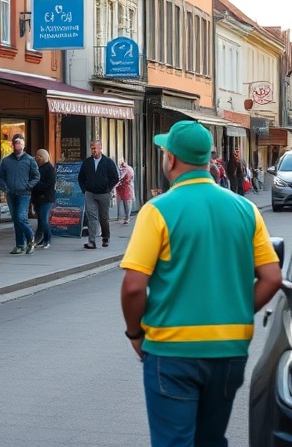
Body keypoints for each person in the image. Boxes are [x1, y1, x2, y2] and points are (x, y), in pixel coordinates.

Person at [120, 121, 282, 447]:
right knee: (210, 441)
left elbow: (134, 287)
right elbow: (272, 278)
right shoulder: (246, 209)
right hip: (229, 352)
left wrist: (136, 334)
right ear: (208, 159)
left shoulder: (157, 211)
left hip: (171, 350)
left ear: (171, 159)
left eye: (165, 151)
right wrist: (236, 309)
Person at [0, 134, 39, 254]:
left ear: (24, 145)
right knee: (16, 219)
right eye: (16, 143)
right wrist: (5, 188)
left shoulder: (30, 160)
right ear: (13, 145)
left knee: (21, 217)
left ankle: (30, 237)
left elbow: (36, 176)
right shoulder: (6, 161)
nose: (17, 145)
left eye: (20, 142)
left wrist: (29, 186)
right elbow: (0, 176)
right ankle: (20, 245)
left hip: (24, 194)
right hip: (11, 194)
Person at [78, 140, 120, 249]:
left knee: (103, 218)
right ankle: (91, 241)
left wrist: (108, 188)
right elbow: (81, 177)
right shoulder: (87, 162)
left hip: (103, 194)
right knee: (91, 217)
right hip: (90, 193)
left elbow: (115, 177)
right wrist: (84, 189)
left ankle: (105, 237)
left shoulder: (108, 162)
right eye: (92, 148)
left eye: (96, 148)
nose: (94, 150)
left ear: (100, 148)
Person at [32, 149, 57, 249]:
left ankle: (47, 240)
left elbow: (49, 185)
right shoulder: (36, 168)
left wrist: (36, 184)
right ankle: (40, 240)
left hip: (47, 198)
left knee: (44, 219)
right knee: (40, 220)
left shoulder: (49, 169)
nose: (38, 158)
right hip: (38, 198)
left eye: (40, 156)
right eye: (37, 156)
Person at [115, 158, 135, 224]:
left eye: (121, 162)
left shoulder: (128, 169)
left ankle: (127, 217)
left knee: (127, 202)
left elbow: (122, 177)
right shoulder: (121, 169)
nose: (121, 164)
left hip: (127, 188)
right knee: (124, 202)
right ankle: (124, 216)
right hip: (122, 188)